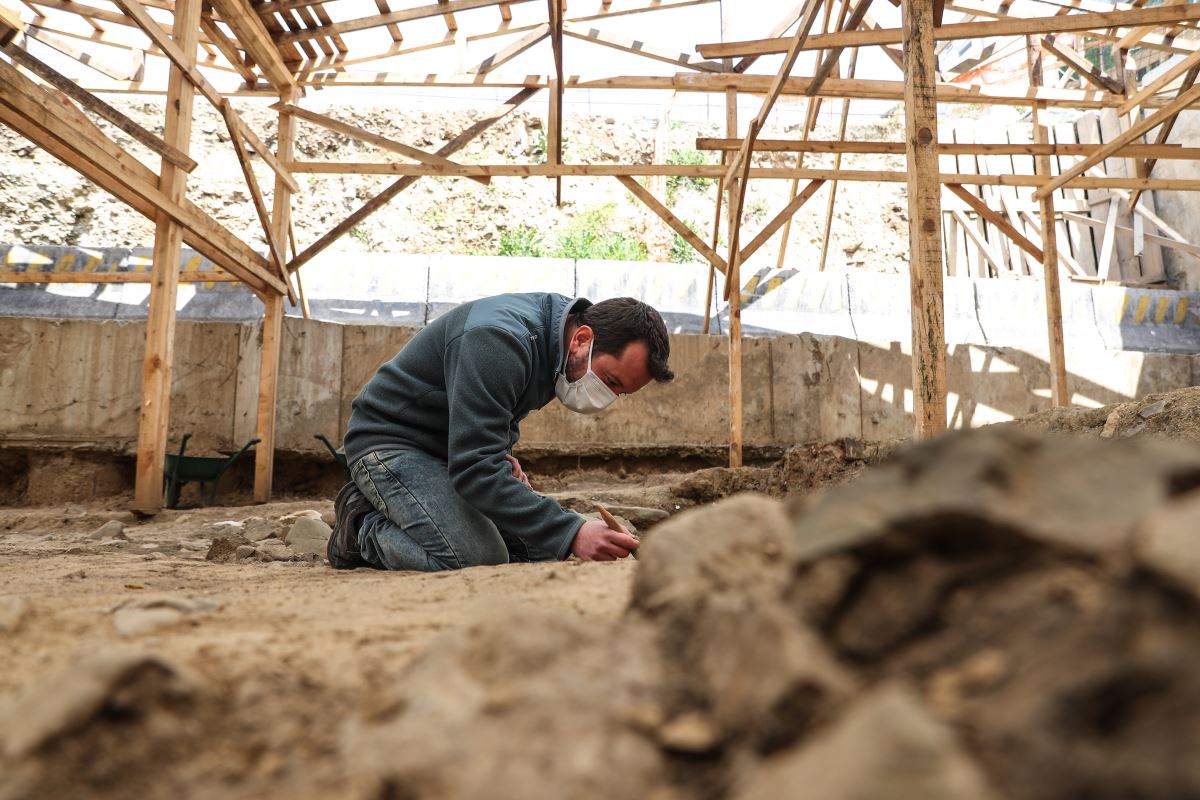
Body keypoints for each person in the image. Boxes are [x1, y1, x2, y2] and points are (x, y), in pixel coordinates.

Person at [327, 293, 674, 571]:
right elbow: (474, 470)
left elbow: (488, 422)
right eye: (610, 381)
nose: (607, 396)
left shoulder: (555, 346)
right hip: (390, 444)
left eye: (619, 392)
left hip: (447, 452)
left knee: (541, 547)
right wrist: (573, 530)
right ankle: (361, 527)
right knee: (474, 556)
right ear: (582, 339)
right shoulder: (498, 340)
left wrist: (503, 456)